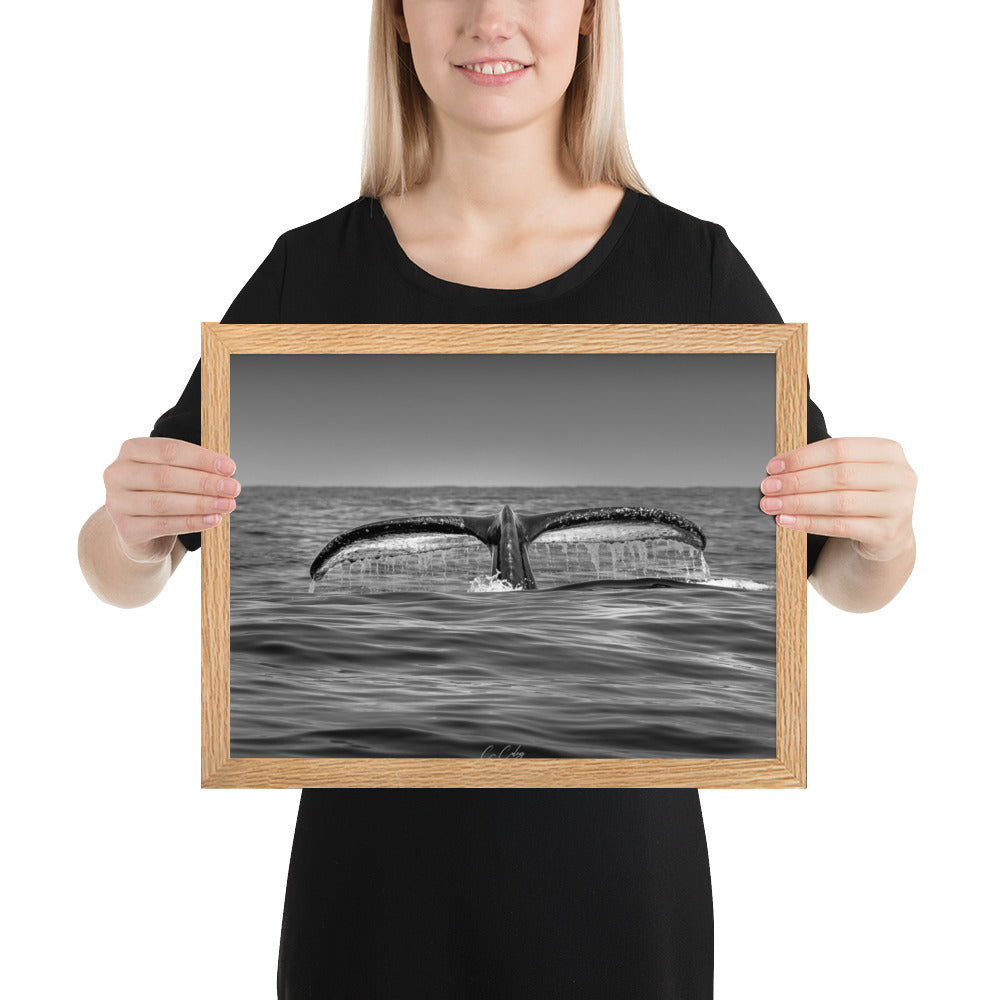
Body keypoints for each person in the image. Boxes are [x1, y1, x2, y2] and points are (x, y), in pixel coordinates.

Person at [78, 1, 917, 995]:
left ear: (590, 18)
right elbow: (122, 567)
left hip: (617, 896)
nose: (492, 18)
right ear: (397, 19)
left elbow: (843, 576)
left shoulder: (690, 271)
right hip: (371, 898)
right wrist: (131, 530)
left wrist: (884, 531)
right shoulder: (311, 275)